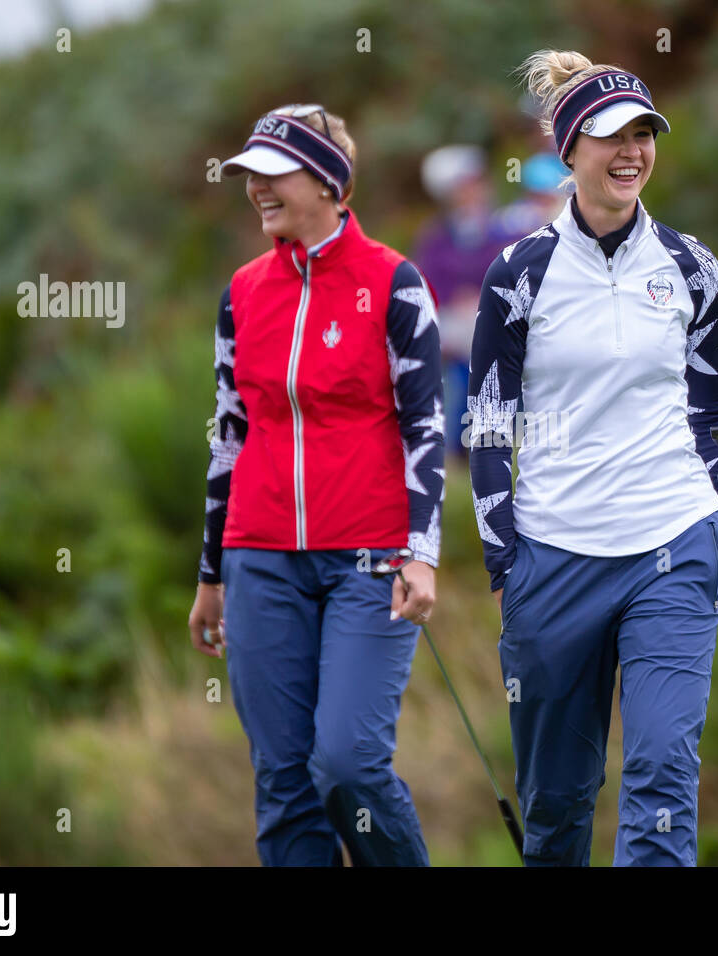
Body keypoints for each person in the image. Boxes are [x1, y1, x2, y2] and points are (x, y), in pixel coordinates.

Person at [467, 50, 718, 866]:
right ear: (570, 151)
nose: (631, 149)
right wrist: (507, 566)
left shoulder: (692, 266)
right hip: (553, 557)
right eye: (610, 135)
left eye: (644, 132)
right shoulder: (517, 274)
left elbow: (716, 416)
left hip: (675, 541)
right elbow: (489, 426)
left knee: (664, 774)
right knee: (557, 806)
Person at [186, 103, 445, 867]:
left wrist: (422, 552)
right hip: (259, 556)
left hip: (370, 556)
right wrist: (210, 572)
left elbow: (426, 426)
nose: (257, 190)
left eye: (274, 175)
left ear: (329, 181)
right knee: (285, 785)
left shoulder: (393, 282)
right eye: (248, 178)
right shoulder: (242, 292)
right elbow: (228, 434)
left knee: (347, 764)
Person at [413, 145, 516, 459]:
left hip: (494, 316)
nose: (473, 192)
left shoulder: (504, 231)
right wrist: (453, 301)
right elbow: (426, 284)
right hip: (452, 324)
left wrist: (481, 297)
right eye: (465, 186)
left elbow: (513, 274)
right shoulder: (435, 238)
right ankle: (460, 439)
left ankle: (496, 431)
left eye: (476, 183)